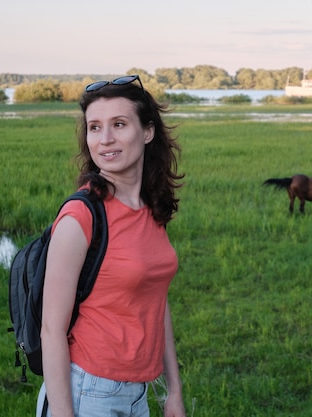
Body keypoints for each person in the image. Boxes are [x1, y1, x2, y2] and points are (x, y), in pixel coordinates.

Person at [37, 75, 186, 417]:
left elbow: (156, 302)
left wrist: (173, 391)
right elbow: (52, 329)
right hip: (87, 391)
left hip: (137, 395)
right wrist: (62, 412)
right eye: (94, 127)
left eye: (119, 124)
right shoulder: (80, 216)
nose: (105, 140)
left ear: (147, 132)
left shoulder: (151, 209)